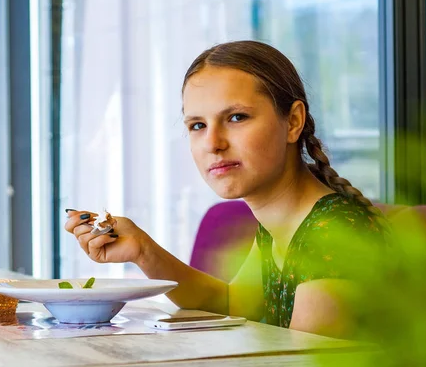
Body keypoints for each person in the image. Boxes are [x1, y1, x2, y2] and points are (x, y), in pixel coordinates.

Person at [65, 40, 386, 338]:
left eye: (236, 117)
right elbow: (231, 302)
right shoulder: (281, 226)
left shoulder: (331, 231)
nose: (213, 144)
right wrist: (142, 250)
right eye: (198, 126)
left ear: (292, 122)